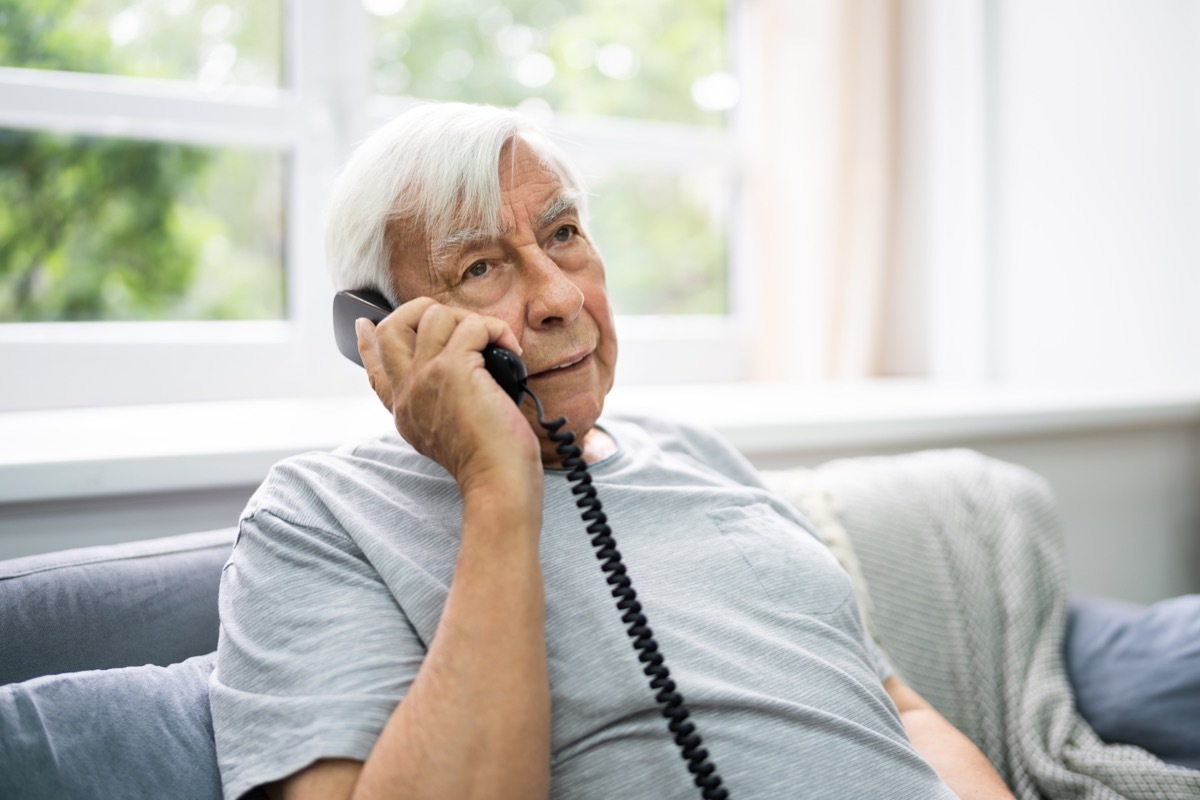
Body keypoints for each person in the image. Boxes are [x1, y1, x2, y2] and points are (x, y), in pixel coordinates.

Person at [209, 101, 1015, 800]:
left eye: (563, 234)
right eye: (481, 266)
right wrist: (496, 482)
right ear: (385, 331)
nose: (561, 297)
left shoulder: (695, 451)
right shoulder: (314, 519)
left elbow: (898, 705)